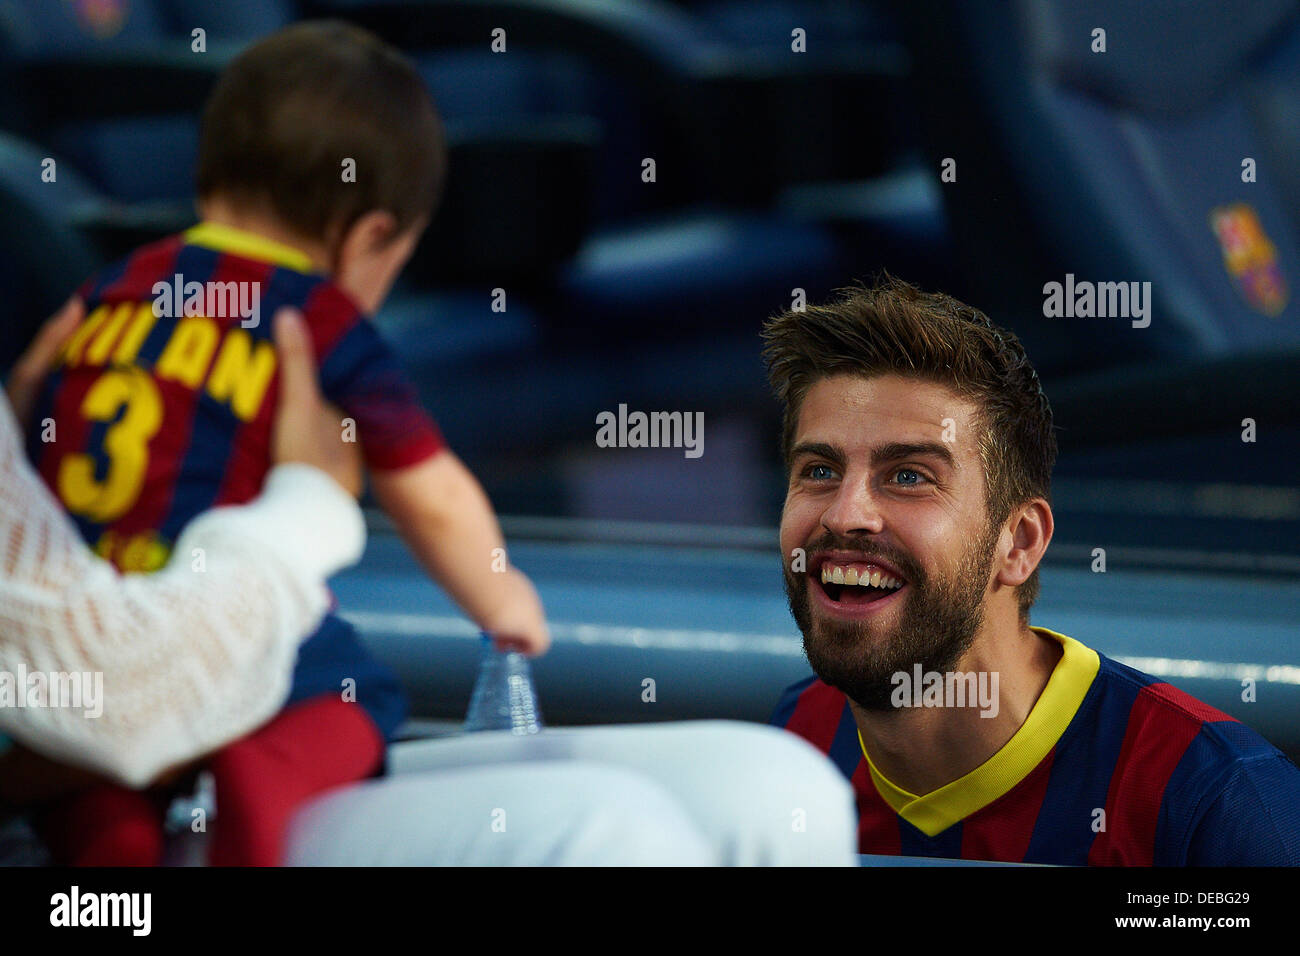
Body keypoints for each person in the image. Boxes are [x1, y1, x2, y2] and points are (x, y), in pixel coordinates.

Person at [4, 304, 857, 867]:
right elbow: (115, 709)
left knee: (774, 791)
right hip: (135, 798)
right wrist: (305, 500)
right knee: (608, 839)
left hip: (192, 752)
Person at [18, 20, 547, 866]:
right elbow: (430, 489)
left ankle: (113, 855)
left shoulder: (115, 287)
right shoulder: (320, 317)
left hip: (91, 621)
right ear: (370, 236)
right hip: (223, 623)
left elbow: (28, 422)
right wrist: (502, 598)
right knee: (353, 697)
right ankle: (255, 800)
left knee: (96, 784)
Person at [763, 276, 1300, 865]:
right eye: (818, 470)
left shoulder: (1218, 802)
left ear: (1018, 543)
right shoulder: (798, 738)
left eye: (910, 476)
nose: (845, 514)